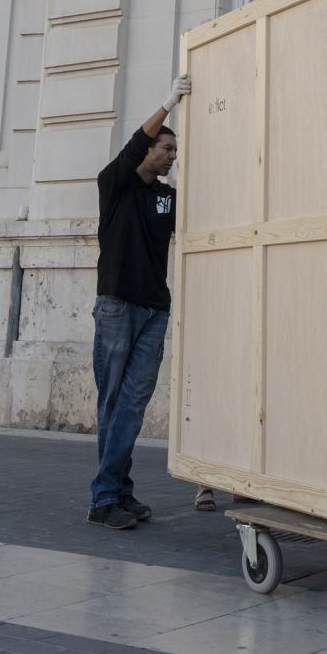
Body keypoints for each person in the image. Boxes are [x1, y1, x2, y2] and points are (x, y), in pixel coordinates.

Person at [88, 72, 192, 529]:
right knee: (113, 403)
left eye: (176, 151)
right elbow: (132, 147)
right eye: (166, 149)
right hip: (117, 306)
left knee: (132, 405)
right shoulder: (115, 184)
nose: (172, 156)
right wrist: (168, 103)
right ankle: (105, 498)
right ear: (149, 151)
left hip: (155, 311)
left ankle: (117, 490)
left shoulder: (167, 199)